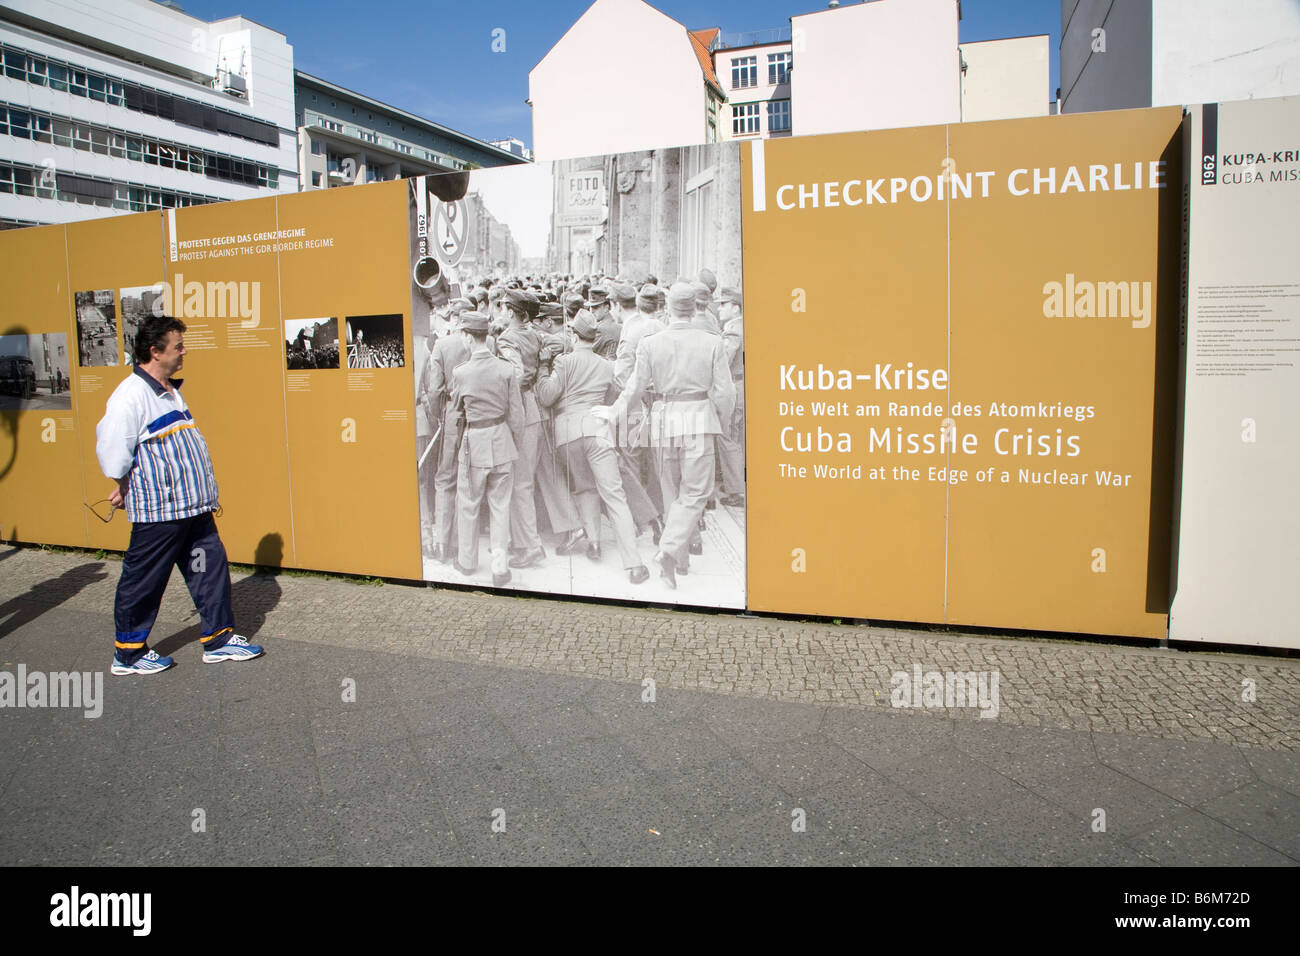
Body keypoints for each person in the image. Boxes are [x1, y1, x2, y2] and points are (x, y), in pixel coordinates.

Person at [95, 315, 263, 675]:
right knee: (144, 580)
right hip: (160, 515)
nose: (184, 351)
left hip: (194, 510)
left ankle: (218, 639)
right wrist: (124, 482)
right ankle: (128, 652)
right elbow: (113, 452)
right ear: (155, 351)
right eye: (178, 346)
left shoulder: (170, 390)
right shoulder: (130, 396)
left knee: (209, 571)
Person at [609, 282, 735, 588]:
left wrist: (615, 414)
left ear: (668, 307)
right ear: (694, 308)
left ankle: (680, 561)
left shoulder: (651, 343)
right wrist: (722, 421)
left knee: (671, 493)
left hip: (664, 420)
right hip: (699, 420)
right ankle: (668, 552)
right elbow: (725, 392)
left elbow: (635, 388)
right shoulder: (713, 342)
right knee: (695, 494)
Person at [536, 311, 649, 585]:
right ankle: (634, 565)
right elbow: (622, 393)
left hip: (567, 434)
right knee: (614, 495)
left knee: (584, 488)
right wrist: (610, 410)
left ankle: (594, 543)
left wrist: (542, 370)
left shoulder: (564, 361)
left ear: (574, 336)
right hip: (598, 431)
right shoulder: (606, 365)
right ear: (593, 337)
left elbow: (547, 396)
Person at [450, 311, 524, 588]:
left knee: (468, 503)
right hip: (502, 441)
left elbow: (457, 413)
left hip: (474, 443)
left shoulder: (461, 373)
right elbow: (517, 415)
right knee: (500, 505)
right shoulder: (506, 370)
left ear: (468, 337)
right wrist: (513, 441)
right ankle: (499, 566)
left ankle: (467, 562)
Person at [717, 286, 746, 507]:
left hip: (735, 386)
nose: (719, 309)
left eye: (724, 304)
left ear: (736, 308)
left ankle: (736, 490)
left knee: (729, 437)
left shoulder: (734, 329)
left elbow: (724, 360)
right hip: (741, 384)